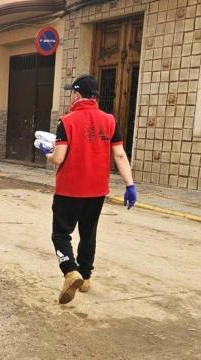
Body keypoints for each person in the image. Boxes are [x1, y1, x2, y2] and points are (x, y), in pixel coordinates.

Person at [39, 74, 137, 304]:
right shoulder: (110, 121)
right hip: (96, 191)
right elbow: (120, 155)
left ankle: (70, 271)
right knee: (88, 233)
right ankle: (85, 278)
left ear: (76, 94)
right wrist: (130, 185)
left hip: (69, 190)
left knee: (61, 234)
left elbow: (59, 157)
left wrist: (47, 153)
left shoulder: (67, 121)